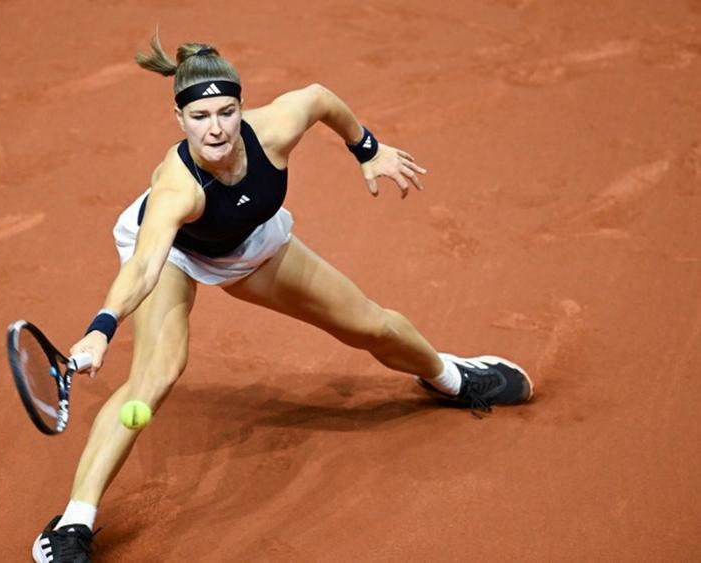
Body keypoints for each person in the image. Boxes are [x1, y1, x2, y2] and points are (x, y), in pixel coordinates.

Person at [31, 32, 534, 562]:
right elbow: (145, 268)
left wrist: (368, 148)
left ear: (242, 108)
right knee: (155, 375)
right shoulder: (176, 189)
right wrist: (101, 328)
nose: (217, 128)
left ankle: (451, 378)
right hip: (175, 252)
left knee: (369, 325)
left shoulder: (274, 129)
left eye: (226, 112)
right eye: (200, 117)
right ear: (179, 121)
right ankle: (70, 527)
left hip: (250, 243)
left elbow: (320, 97)